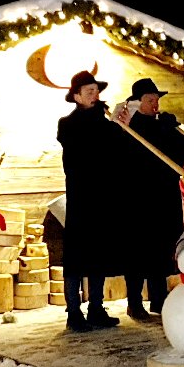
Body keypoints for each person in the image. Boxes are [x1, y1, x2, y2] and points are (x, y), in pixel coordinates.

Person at [113, 78, 184, 321]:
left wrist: (173, 130)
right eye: (150, 100)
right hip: (138, 198)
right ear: (138, 102)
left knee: (161, 247)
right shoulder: (131, 126)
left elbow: (178, 156)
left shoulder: (162, 125)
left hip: (163, 196)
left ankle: (159, 299)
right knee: (137, 250)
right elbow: (135, 155)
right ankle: (134, 302)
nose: (155, 104)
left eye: (157, 100)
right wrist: (162, 130)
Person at [56, 70, 124, 332]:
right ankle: (74, 311)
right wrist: (105, 125)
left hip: (102, 198)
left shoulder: (105, 122)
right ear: (77, 97)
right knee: (76, 257)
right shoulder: (68, 123)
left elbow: (116, 150)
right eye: (89, 92)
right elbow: (81, 148)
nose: (95, 96)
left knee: (99, 253)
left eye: (97, 91)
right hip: (81, 197)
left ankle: (96, 307)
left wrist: (120, 126)